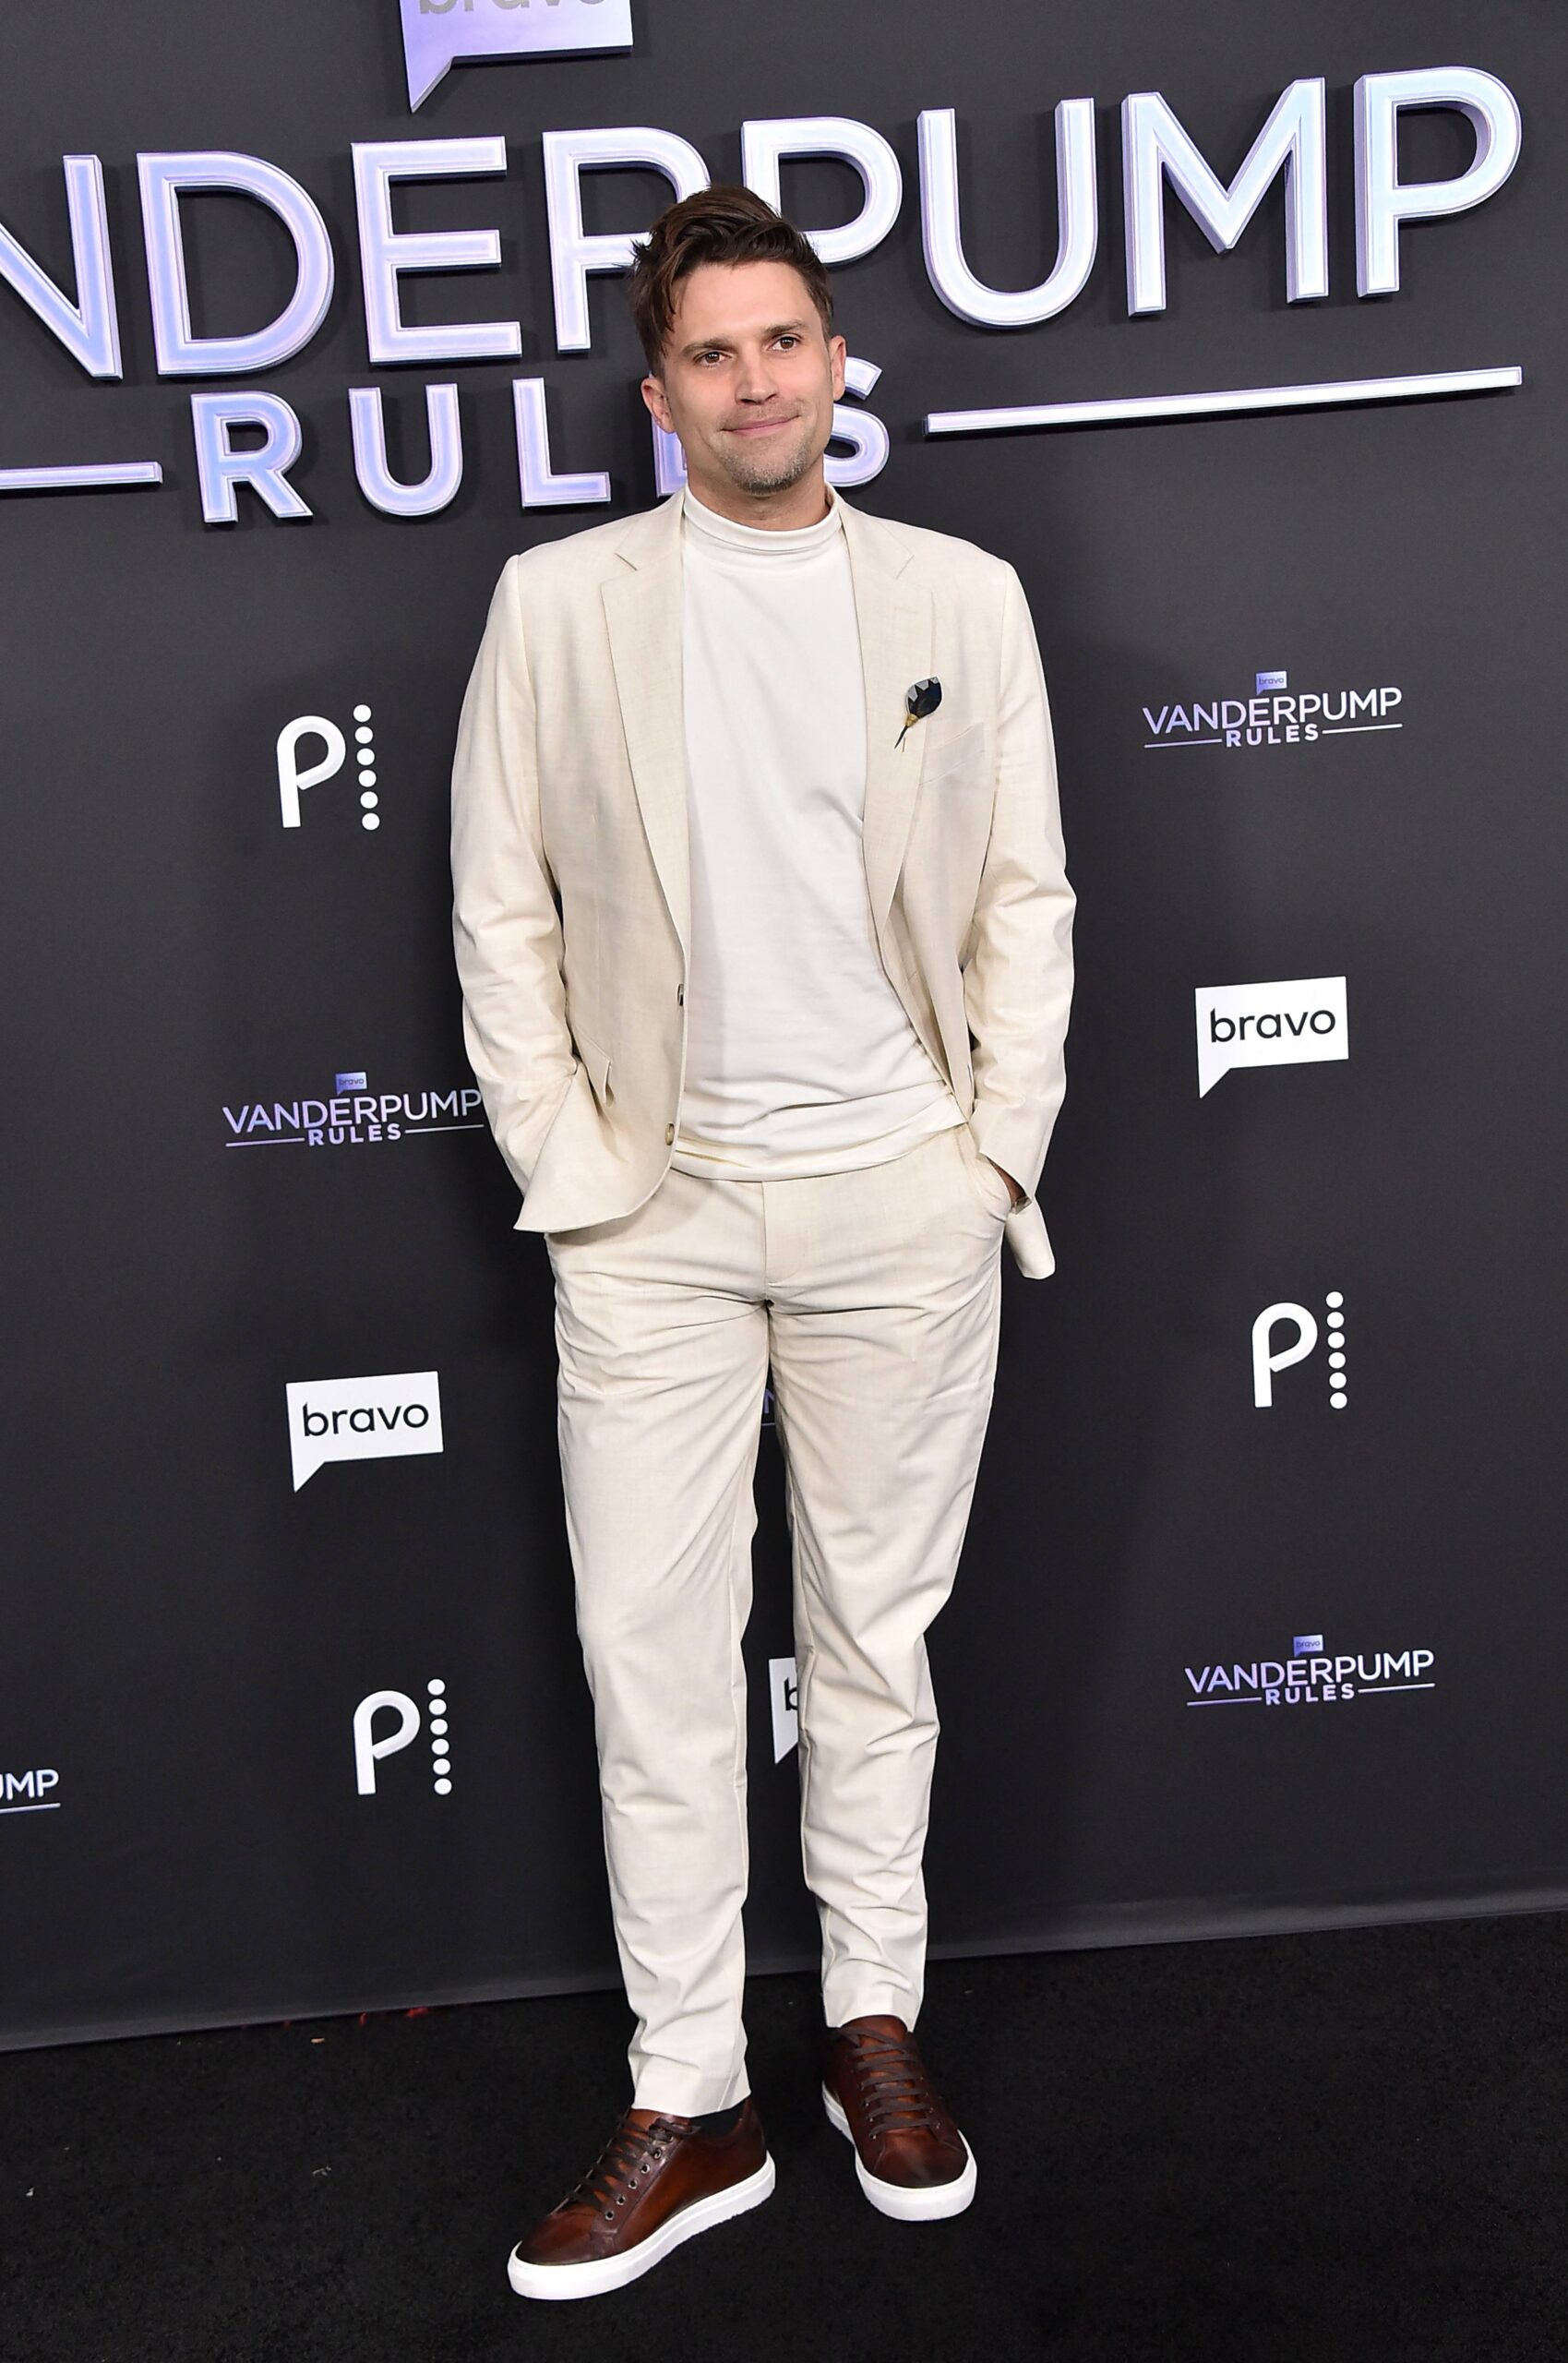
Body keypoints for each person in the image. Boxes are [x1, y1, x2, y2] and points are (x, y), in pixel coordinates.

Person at [450, 186, 1073, 2301]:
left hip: (904, 1187)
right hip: (658, 1207)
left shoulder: (958, 595)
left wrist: (992, 1153)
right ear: (661, 391)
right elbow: (500, 904)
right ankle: (691, 2090)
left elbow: (1024, 897)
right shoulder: (558, 602)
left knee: (876, 1640)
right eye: (712, 353)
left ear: (833, 363)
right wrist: (576, 1162)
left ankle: (867, 2024)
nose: (755, 380)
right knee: (655, 1660)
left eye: (785, 340)